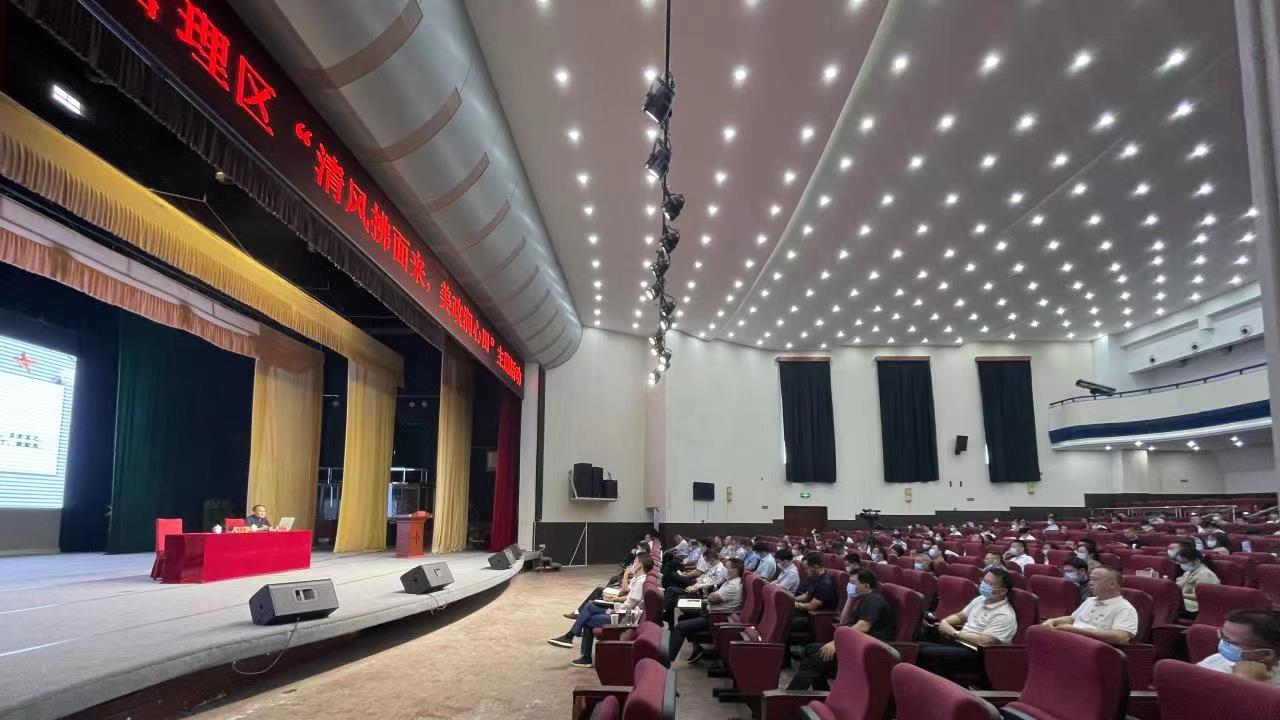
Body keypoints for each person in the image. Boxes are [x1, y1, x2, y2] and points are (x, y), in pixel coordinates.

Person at [786, 569, 897, 690]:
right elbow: (843, 621)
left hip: (868, 650)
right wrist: (850, 597)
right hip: (859, 644)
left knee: (812, 662)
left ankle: (791, 697)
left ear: (866, 586)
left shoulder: (874, 600)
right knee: (810, 649)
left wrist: (836, 643)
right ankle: (822, 692)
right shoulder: (864, 598)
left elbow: (863, 627)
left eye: (853, 583)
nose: (849, 586)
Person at [917, 567, 1018, 686]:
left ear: (1002, 591)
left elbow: (985, 641)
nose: (983, 585)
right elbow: (960, 616)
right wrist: (945, 622)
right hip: (960, 642)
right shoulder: (981, 599)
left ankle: (940, 688)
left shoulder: (1004, 614)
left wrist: (954, 633)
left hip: (977, 653)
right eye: (984, 580)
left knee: (924, 652)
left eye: (989, 583)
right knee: (917, 645)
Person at [548, 554, 653, 667]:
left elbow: (631, 604)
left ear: (640, 565)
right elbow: (629, 598)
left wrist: (613, 609)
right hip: (622, 612)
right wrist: (614, 600)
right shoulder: (639, 580)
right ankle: (572, 638)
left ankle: (580, 649)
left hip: (623, 617)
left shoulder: (641, 582)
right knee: (590, 606)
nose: (632, 564)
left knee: (588, 618)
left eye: (635, 562)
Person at [668, 558, 745, 663]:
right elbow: (713, 596)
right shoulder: (730, 582)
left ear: (735, 570)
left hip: (716, 618)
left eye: (727, 568)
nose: (725, 570)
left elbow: (712, 598)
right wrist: (712, 595)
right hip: (710, 612)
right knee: (683, 618)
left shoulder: (733, 586)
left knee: (679, 627)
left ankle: (667, 660)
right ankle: (697, 649)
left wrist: (712, 596)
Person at [1041, 567, 1138, 644]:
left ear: (1112, 584)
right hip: (1074, 641)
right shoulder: (1090, 601)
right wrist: (1052, 621)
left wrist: (1077, 631)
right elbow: (1072, 619)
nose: (1090, 583)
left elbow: (1119, 637)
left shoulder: (1125, 608)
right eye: (1090, 579)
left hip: (1096, 650)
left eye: (1094, 579)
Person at [1196, 609, 1280, 686]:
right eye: (1221, 635)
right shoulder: (1217, 659)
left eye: (1230, 642)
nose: (1222, 642)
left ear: (1267, 654)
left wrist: (1244, 681)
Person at [791, 553, 838, 636]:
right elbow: (806, 595)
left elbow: (811, 606)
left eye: (806, 568)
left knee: (785, 621)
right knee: (784, 612)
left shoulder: (825, 584)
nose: (805, 571)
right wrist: (791, 599)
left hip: (815, 617)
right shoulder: (815, 578)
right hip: (806, 611)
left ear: (815, 567)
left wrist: (797, 604)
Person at [1174, 547, 1220, 614]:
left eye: (1183, 562)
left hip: (1197, 606)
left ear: (1196, 560)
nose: (1181, 565)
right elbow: (1179, 585)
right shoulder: (1188, 572)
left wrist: (1180, 595)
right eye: (1179, 562)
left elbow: (1204, 596)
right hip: (1186, 601)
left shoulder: (1206, 574)